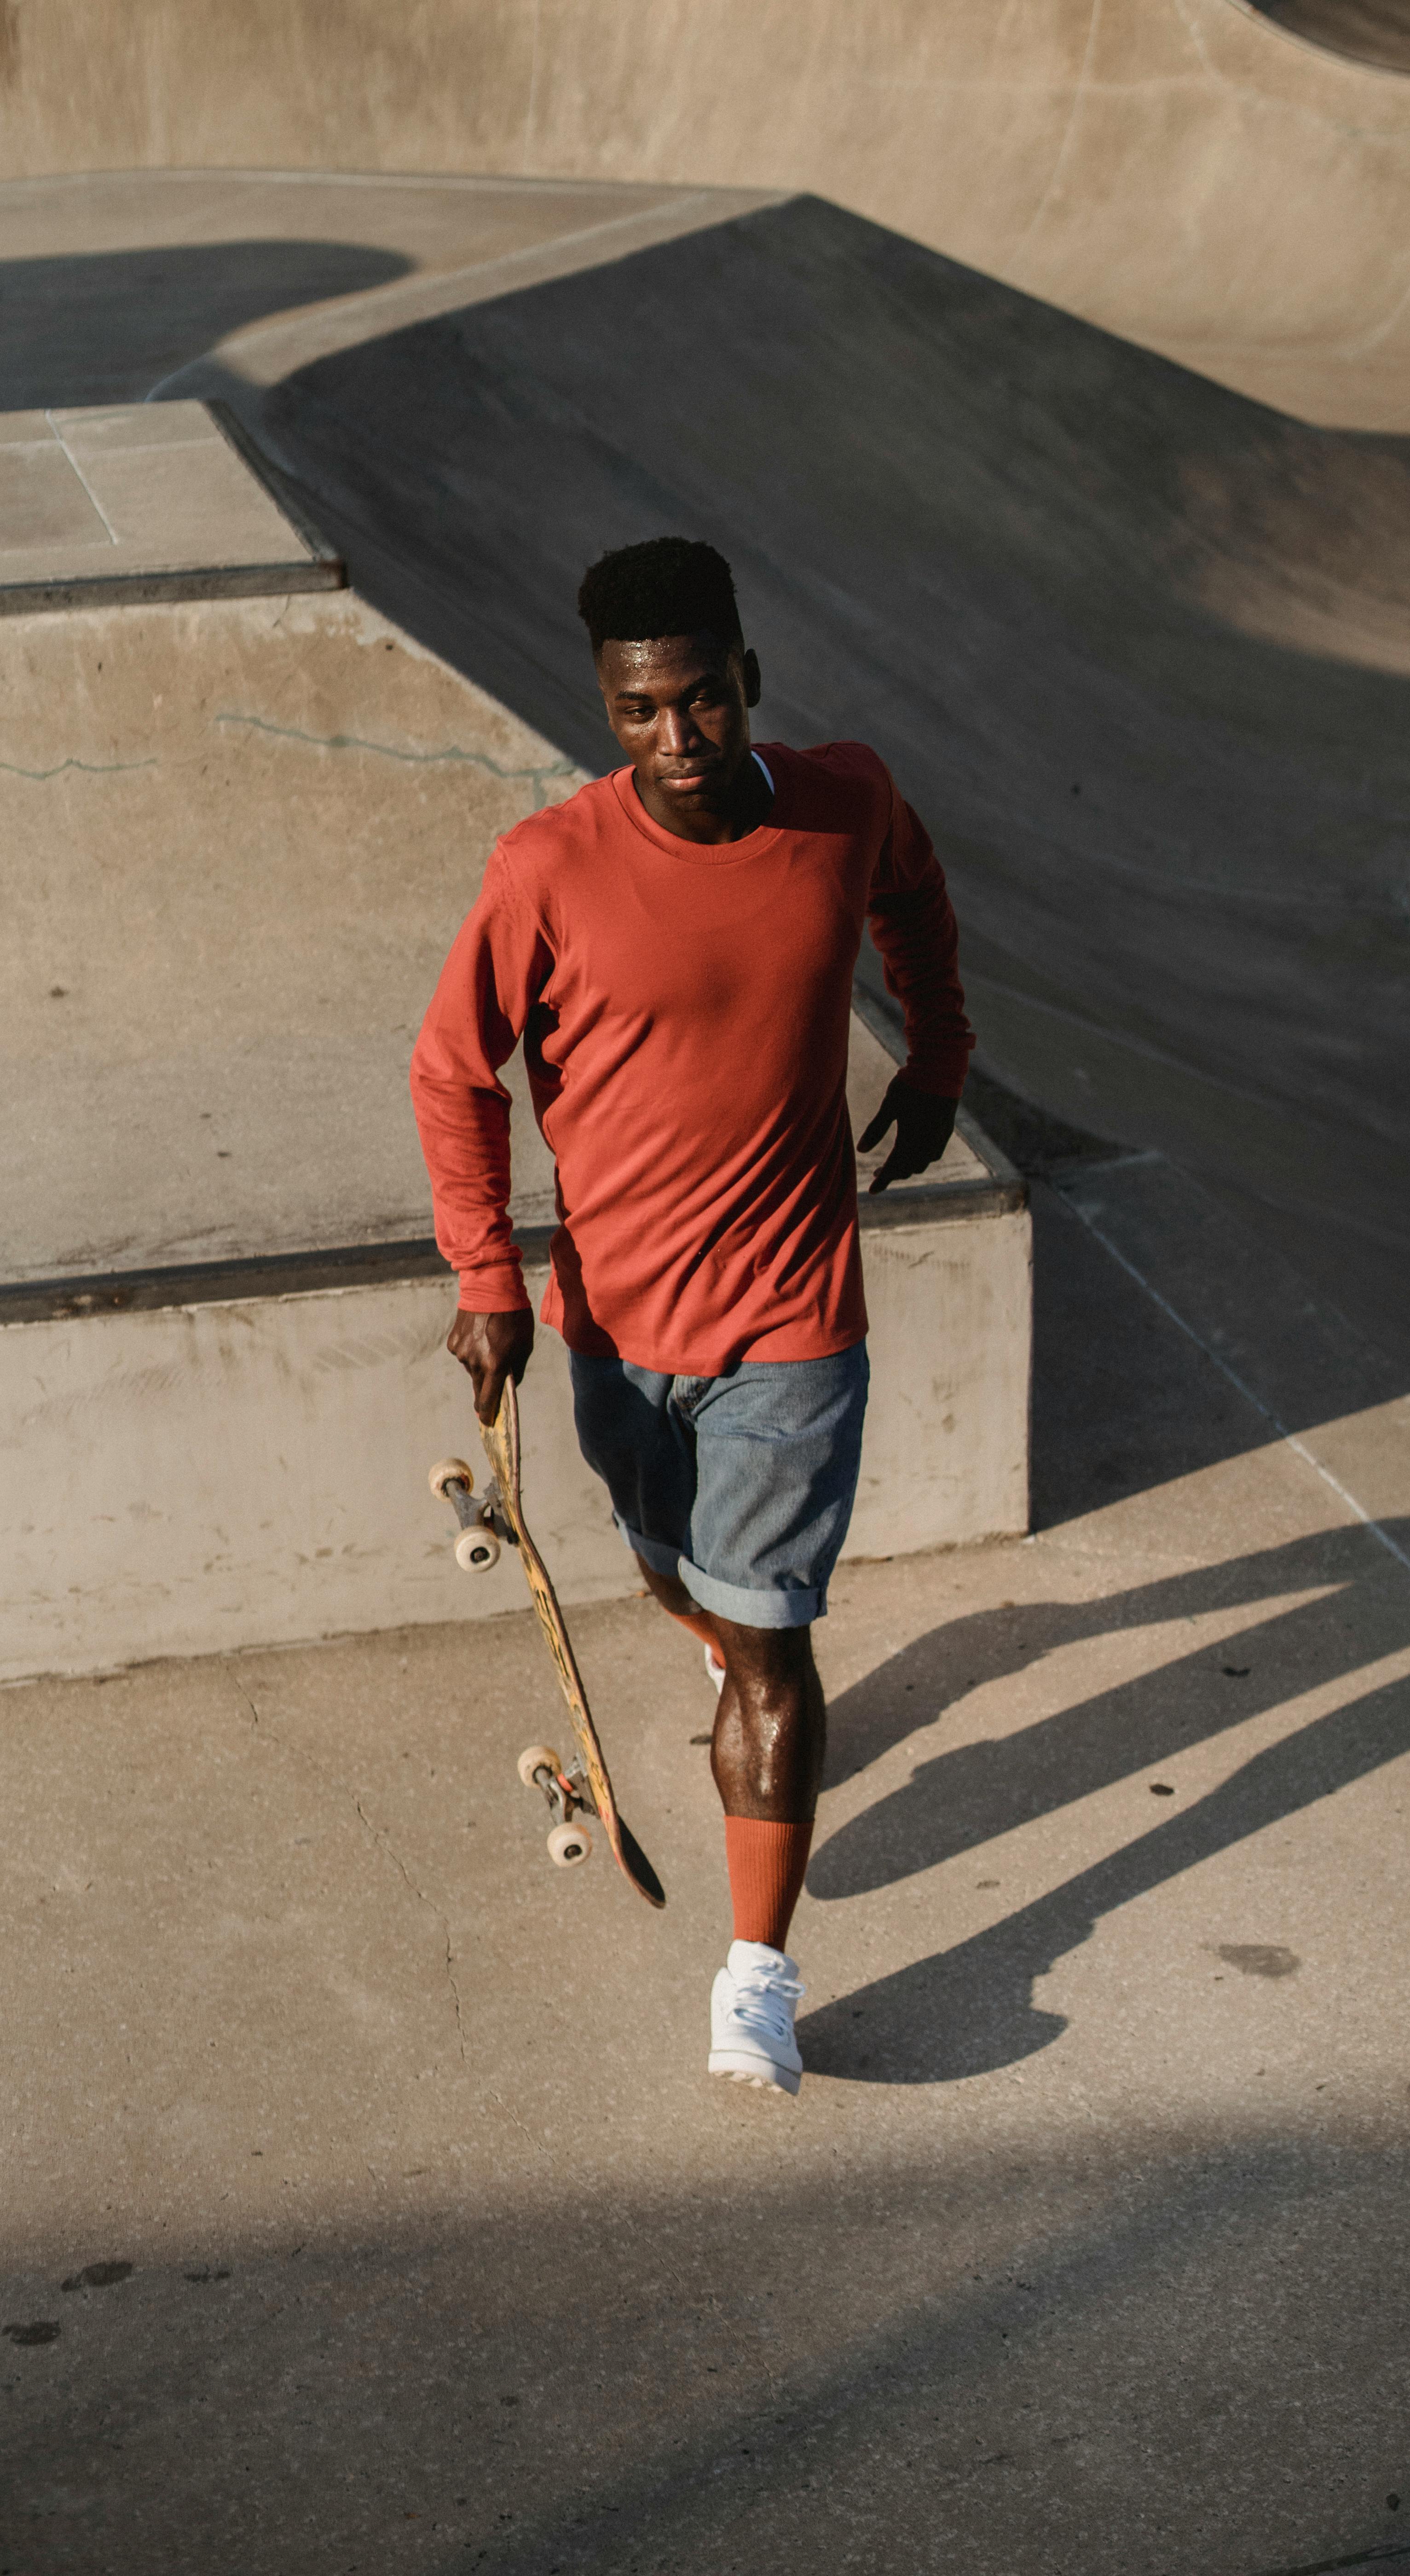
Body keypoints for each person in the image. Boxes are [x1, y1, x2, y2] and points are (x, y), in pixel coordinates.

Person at [410, 536, 972, 2096]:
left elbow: (918, 901)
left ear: (750, 681)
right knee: (676, 1573)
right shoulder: (547, 870)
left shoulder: (845, 802)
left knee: (776, 1641)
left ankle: (757, 1982)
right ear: (607, 706)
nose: (678, 738)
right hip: (616, 1325)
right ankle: (721, 1636)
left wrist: (938, 1055)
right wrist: (487, 1278)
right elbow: (453, 1072)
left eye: (705, 699)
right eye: (641, 710)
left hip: (796, 1318)